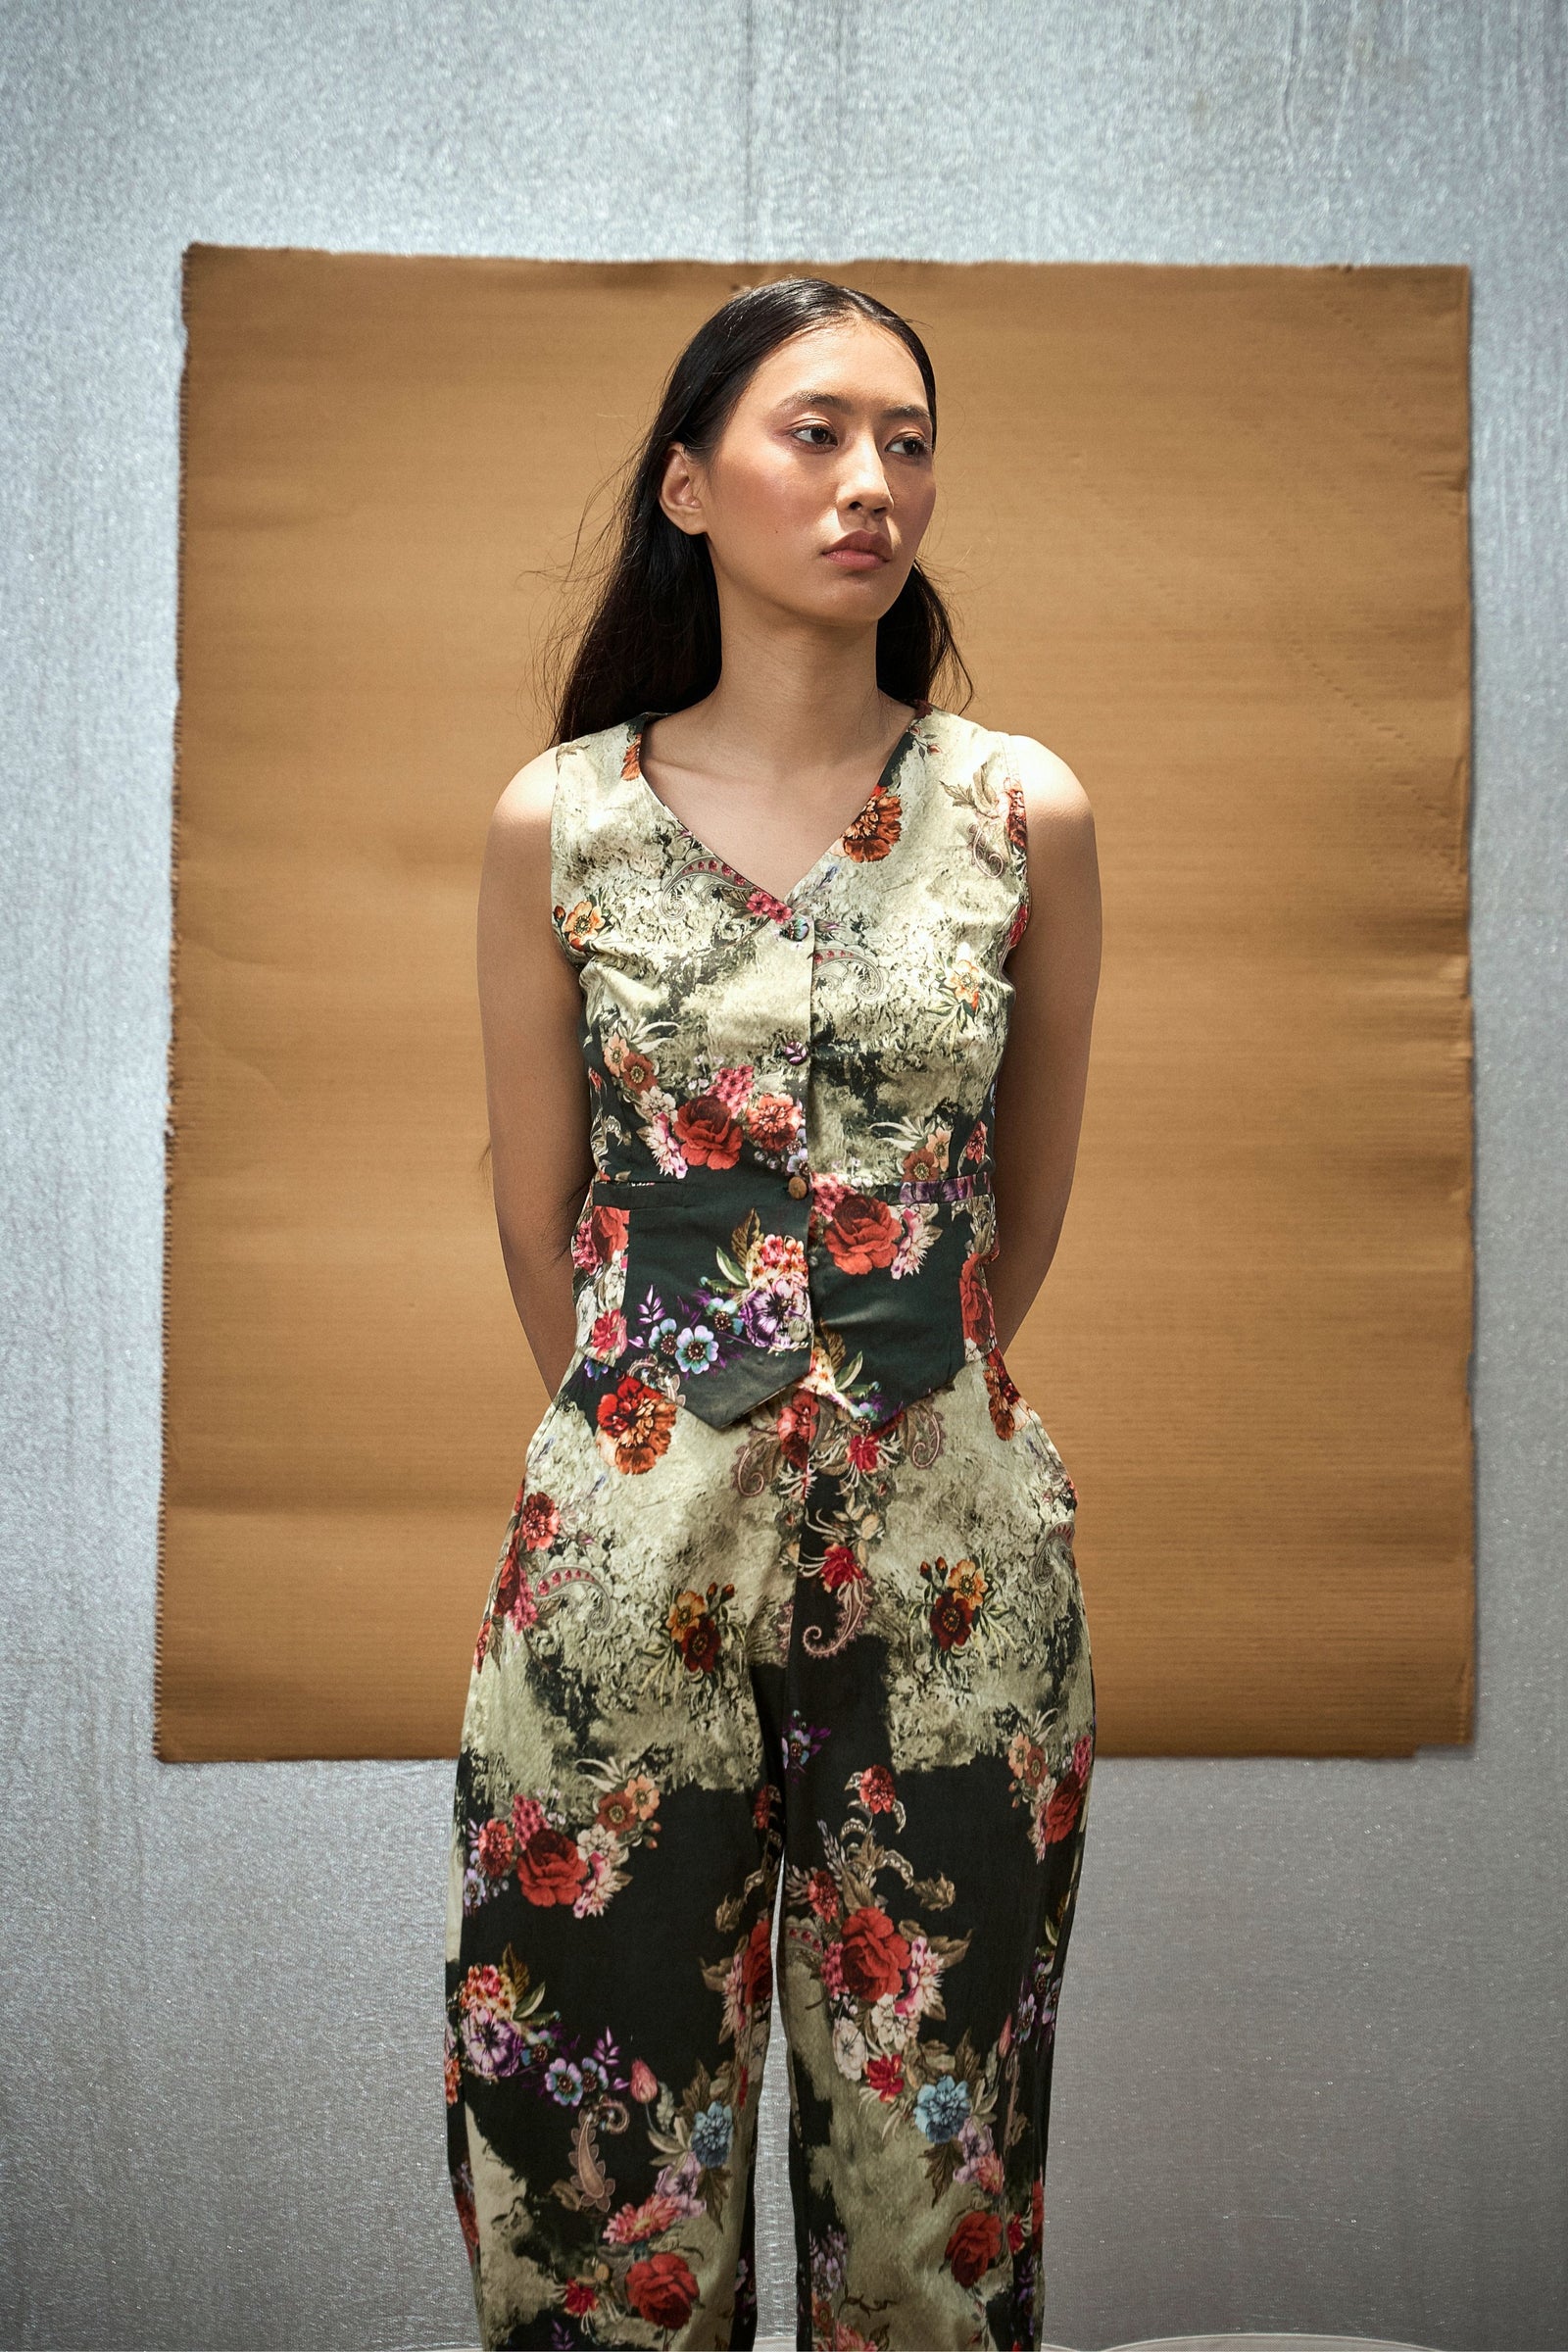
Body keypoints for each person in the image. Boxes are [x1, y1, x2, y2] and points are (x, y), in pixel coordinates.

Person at [445, 275, 1102, 2352]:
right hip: (625, 1574)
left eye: (906, 440)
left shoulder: (1019, 812)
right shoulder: (560, 821)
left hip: (956, 1581)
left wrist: (886, 1410)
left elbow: (1019, 1214)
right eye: (814, 432)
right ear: (686, 485)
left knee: (936, 2191)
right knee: (604, 2180)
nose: (869, 481)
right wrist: (672, 1445)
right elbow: (537, 1222)